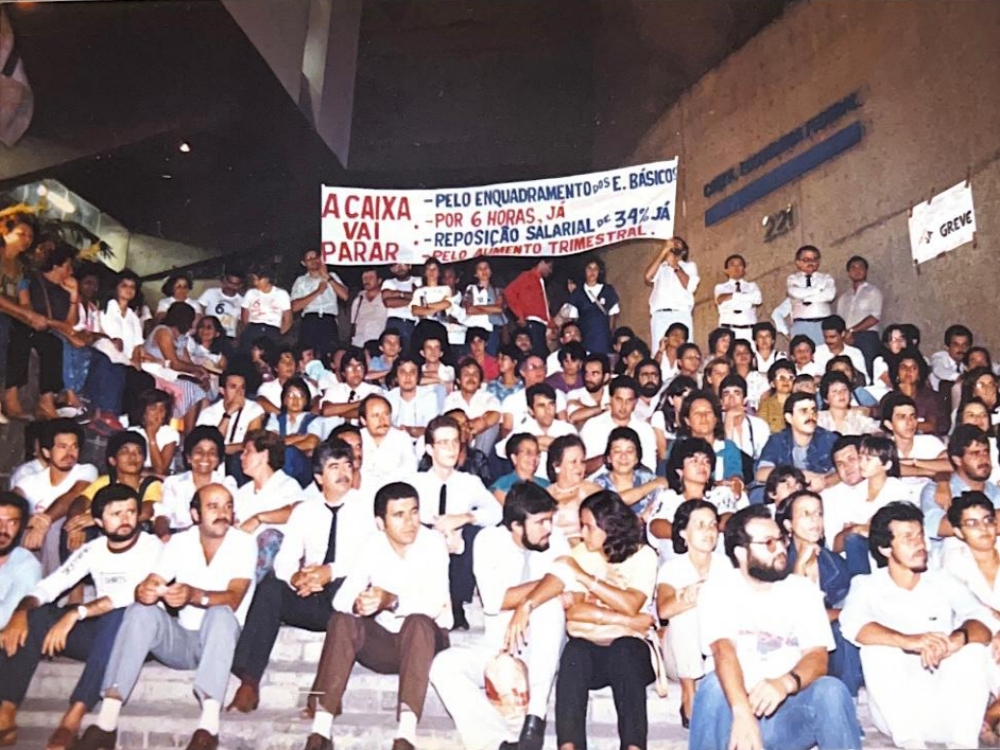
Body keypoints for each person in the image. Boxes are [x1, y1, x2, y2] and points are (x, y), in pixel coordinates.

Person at [76, 484, 256, 750]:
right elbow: (153, 579)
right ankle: (107, 723)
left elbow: (234, 597)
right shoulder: (181, 542)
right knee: (140, 611)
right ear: (195, 514)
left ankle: (208, 728)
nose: (223, 513)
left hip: (223, 642)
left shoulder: (244, 542)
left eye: (228, 506)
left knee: (220, 613)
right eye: (213, 506)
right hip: (182, 641)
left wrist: (194, 595)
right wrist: (145, 591)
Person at [0, 485, 162, 750]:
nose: (125, 519)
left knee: (116, 616)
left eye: (131, 512)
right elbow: (53, 584)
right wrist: (22, 611)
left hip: (137, 637)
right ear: (98, 521)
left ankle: (72, 719)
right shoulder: (93, 549)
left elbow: (131, 593)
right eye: (116, 513)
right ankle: (5, 713)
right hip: (98, 633)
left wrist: (78, 611)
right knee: (37, 615)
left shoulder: (151, 546)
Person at [689, 505, 862, 750]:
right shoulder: (718, 589)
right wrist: (742, 713)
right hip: (732, 710)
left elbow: (817, 656)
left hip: (786, 712)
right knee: (713, 687)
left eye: (781, 540)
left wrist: (784, 683)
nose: (781, 549)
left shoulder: (802, 590)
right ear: (741, 552)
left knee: (831, 690)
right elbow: (722, 651)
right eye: (768, 543)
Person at [505, 490, 658, 750]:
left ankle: (634, 746)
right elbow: (575, 612)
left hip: (631, 653)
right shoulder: (581, 555)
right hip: (593, 648)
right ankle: (569, 746)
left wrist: (587, 582)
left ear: (609, 527)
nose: (582, 534)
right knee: (575, 651)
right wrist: (527, 605)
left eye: (588, 527)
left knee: (626, 650)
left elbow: (631, 603)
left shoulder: (643, 556)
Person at [228, 440, 374, 713]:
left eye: (348, 465)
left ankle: (321, 695)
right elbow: (285, 559)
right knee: (271, 586)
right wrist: (297, 578)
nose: (344, 472)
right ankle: (249, 683)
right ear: (319, 477)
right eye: (334, 467)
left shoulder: (367, 508)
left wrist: (329, 572)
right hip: (312, 595)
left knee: (348, 584)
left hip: (345, 600)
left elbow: (370, 558)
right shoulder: (305, 511)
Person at [304, 481, 451, 750]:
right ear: (381, 522)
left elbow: (434, 603)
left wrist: (390, 600)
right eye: (399, 515)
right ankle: (321, 730)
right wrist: (360, 603)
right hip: (385, 645)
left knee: (417, 622)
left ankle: (405, 735)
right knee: (342, 620)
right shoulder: (371, 544)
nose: (410, 522)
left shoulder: (433, 543)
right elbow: (340, 600)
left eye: (414, 512)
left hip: (428, 644)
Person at [839, 502, 994, 749]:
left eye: (920, 535)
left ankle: (963, 744)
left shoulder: (941, 579)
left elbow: (981, 618)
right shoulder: (867, 586)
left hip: (948, 707)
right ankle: (911, 744)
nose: (920, 544)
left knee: (973, 648)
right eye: (908, 538)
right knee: (876, 650)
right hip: (899, 714)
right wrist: (909, 641)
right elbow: (853, 625)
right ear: (885, 548)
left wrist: (956, 639)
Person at [431, 482, 567, 750]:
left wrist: (527, 605)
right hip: (498, 642)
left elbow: (568, 582)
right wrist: (548, 585)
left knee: (549, 608)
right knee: (443, 665)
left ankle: (534, 720)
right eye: (540, 522)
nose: (548, 528)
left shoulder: (556, 539)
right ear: (516, 526)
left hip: (542, 649)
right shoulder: (488, 540)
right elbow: (496, 599)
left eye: (549, 520)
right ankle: (497, 744)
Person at [408, 416, 502, 630]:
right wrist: (434, 530)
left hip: (457, 550)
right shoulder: (415, 482)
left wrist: (463, 518)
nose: (451, 449)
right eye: (443, 443)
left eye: (455, 442)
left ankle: (456, 602)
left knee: (474, 532)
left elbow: (496, 512)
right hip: (426, 547)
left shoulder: (469, 482)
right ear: (430, 449)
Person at [777, 490, 861, 695]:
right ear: (788, 525)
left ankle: (846, 698)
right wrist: (798, 566)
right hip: (785, 644)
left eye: (819, 513)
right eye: (806, 514)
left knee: (843, 629)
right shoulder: (776, 563)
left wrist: (836, 615)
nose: (815, 519)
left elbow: (853, 609)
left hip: (828, 644)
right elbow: (787, 618)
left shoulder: (835, 564)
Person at [656, 499, 726, 726]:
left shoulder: (727, 567)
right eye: (700, 525)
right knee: (684, 613)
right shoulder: (672, 568)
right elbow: (664, 610)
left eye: (713, 524)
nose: (709, 531)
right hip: (679, 658)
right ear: (683, 533)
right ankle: (689, 694)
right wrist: (691, 595)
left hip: (718, 654)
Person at [941, 491, 1000, 741]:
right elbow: (973, 610)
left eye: (988, 520)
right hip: (983, 640)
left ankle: (990, 715)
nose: (983, 528)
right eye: (972, 523)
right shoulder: (954, 561)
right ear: (957, 531)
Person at [7, 242, 80, 420]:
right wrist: (56, 324)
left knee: (53, 343)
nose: (71, 272)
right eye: (68, 266)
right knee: (24, 338)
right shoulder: (31, 279)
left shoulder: (63, 291)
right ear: (56, 266)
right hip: (25, 325)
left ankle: (46, 400)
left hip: (47, 331)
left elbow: (70, 323)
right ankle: (11, 397)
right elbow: (28, 311)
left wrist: (74, 296)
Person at [16, 419, 98, 574]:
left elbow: (72, 496)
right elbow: (10, 506)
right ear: (47, 452)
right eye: (62, 447)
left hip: (63, 541)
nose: (70, 453)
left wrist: (44, 522)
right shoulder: (30, 481)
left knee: (56, 526)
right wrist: (30, 520)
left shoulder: (86, 471)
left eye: (74, 447)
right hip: (32, 545)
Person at [647, 438, 742, 558]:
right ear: (680, 470)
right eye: (694, 461)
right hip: (676, 561)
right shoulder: (668, 497)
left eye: (706, 461)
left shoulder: (721, 494)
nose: (702, 465)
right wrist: (688, 533)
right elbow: (655, 526)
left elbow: (728, 518)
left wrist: (704, 529)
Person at [85, 269, 151, 431]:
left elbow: (137, 345)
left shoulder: (133, 316)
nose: (128, 290)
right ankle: (107, 414)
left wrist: (135, 363)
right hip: (107, 354)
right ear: (116, 287)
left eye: (132, 287)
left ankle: (128, 422)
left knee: (143, 379)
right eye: (124, 285)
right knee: (116, 369)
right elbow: (98, 332)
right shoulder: (105, 309)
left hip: (126, 359)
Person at [920, 424, 999, 546]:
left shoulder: (995, 491)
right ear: (957, 460)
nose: (983, 459)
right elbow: (936, 526)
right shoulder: (936, 490)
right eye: (975, 453)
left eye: (986, 452)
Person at [155, 427, 236, 536]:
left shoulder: (226, 484)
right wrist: (165, 536)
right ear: (188, 457)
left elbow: (233, 517)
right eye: (199, 452)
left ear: (218, 460)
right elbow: (163, 516)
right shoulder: (173, 483)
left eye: (212, 453)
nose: (205, 457)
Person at [0, 211, 42, 422]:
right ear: (5, 232)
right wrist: (23, 313)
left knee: (25, 332)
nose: (26, 240)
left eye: (30, 237)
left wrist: (32, 318)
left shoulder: (21, 269)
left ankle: (11, 396)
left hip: (9, 316)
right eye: (21, 233)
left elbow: (25, 302)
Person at [144, 302, 212, 431]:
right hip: (157, 373)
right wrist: (198, 369)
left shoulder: (181, 338)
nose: (192, 325)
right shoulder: (163, 332)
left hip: (172, 374)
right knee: (191, 388)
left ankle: (191, 434)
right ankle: (188, 433)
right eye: (191, 320)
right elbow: (174, 363)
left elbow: (187, 362)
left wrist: (201, 375)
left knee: (201, 391)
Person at [756, 392, 839, 494]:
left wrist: (824, 482)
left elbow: (843, 472)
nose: (811, 416)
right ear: (789, 418)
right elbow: (761, 473)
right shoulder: (777, 440)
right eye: (804, 411)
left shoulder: (829, 439)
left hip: (823, 493)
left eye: (813, 411)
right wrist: (799, 475)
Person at [496, 384, 576, 479]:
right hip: (531, 484)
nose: (548, 410)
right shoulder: (523, 429)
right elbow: (502, 450)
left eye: (551, 404)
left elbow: (575, 454)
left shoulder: (567, 429)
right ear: (531, 411)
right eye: (541, 406)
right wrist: (539, 442)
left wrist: (533, 445)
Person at [196, 370, 266, 479]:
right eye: (233, 387)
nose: (239, 393)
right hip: (214, 463)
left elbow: (250, 444)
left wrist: (220, 449)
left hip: (240, 462)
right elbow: (210, 443)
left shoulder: (254, 409)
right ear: (222, 390)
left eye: (242, 388)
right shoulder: (208, 414)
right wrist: (228, 414)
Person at [580, 376, 657, 475]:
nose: (623, 406)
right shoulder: (593, 426)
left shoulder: (645, 430)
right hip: (597, 486)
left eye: (628, 401)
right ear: (610, 399)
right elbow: (582, 468)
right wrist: (606, 458)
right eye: (619, 400)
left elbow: (649, 469)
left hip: (635, 486)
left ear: (635, 402)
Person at [590, 426, 667, 518]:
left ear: (637, 458)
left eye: (629, 451)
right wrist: (649, 487)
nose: (623, 456)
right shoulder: (598, 484)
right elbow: (610, 505)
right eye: (617, 451)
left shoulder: (648, 478)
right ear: (608, 458)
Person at [265, 377, 324, 487]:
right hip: (276, 466)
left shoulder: (315, 420)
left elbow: (311, 443)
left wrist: (282, 442)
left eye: (300, 396)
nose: (295, 400)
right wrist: (299, 438)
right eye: (291, 396)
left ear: (307, 400)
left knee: (290, 452)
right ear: (284, 400)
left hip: (305, 469)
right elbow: (268, 443)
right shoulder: (275, 419)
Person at [291, 248, 348, 359]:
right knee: (308, 356)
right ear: (304, 263)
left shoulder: (332, 276)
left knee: (329, 356)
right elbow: (294, 306)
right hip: (310, 321)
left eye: (316, 257)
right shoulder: (301, 281)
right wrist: (317, 292)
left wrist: (327, 278)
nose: (314, 261)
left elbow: (345, 296)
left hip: (328, 321)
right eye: (309, 259)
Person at [645, 236, 699, 349]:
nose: (673, 244)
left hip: (681, 313)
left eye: (677, 243)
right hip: (660, 314)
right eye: (671, 243)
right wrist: (663, 251)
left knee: (684, 350)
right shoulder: (661, 267)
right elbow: (647, 277)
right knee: (659, 349)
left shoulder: (689, 266)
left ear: (684, 250)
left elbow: (689, 286)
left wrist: (675, 265)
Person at [546, 435, 602, 545]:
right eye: (573, 462)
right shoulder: (544, 495)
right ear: (557, 466)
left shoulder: (593, 491)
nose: (579, 467)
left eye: (582, 461)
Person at [835, 255, 882, 378]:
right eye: (853, 268)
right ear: (849, 273)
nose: (857, 270)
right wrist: (843, 336)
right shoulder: (844, 297)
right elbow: (839, 321)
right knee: (848, 370)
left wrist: (852, 330)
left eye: (860, 267)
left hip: (867, 337)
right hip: (847, 339)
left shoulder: (873, 292)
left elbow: (875, 317)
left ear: (866, 271)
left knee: (868, 369)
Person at [443, 358, 502, 453]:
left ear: (480, 382)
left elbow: (495, 415)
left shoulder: (488, 397)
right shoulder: (451, 399)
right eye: (466, 374)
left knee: (491, 427)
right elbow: (450, 420)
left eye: (475, 374)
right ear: (458, 380)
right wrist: (468, 427)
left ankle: (478, 462)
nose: (471, 377)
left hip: (482, 442)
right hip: (458, 442)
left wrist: (477, 425)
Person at [0, 493, 41, 631]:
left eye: (12, 522)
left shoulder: (27, 564)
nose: (3, 530)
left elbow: (6, 618)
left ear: (21, 527)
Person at [357, 394, 417, 487]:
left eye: (386, 414)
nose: (382, 420)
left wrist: (385, 482)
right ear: (363, 420)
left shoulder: (402, 438)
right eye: (375, 415)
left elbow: (410, 468)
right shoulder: (357, 438)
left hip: (394, 490)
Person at [500, 355, 567, 437]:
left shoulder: (557, 395)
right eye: (533, 367)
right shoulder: (511, 400)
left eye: (541, 367)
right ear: (523, 372)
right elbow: (507, 431)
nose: (539, 371)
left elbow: (564, 425)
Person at [565, 257, 619, 354]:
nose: (592, 272)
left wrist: (609, 337)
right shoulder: (577, 293)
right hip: (585, 342)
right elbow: (573, 320)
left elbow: (613, 318)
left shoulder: (608, 291)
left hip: (604, 341)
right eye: (589, 268)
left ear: (600, 272)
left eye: (595, 269)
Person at [786, 245, 836, 347]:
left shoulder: (826, 278)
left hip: (823, 324)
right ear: (798, 262)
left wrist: (804, 297)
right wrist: (818, 290)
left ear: (818, 262)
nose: (810, 262)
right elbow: (795, 292)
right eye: (806, 259)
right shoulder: (792, 279)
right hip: (801, 324)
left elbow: (830, 295)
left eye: (814, 259)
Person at [504, 259, 554, 359]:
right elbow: (509, 292)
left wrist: (550, 322)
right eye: (550, 267)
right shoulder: (527, 276)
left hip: (541, 325)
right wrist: (520, 315)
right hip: (533, 323)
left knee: (543, 354)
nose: (550, 271)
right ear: (542, 263)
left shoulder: (539, 280)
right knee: (536, 355)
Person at [890, 349, 945, 435]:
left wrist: (901, 426)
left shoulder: (931, 397)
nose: (908, 371)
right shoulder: (890, 398)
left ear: (919, 374)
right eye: (903, 367)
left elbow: (931, 426)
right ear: (897, 374)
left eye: (913, 368)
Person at [385, 356, 439, 442]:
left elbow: (433, 430)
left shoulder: (429, 397)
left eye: (412, 372)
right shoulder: (388, 397)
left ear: (418, 377)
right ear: (396, 377)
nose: (408, 376)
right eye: (403, 372)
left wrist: (410, 430)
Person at [319, 346, 382, 422]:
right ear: (343, 373)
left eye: (359, 367)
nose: (355, 371)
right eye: (350, 368)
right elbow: (326, 411)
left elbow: (368, 412)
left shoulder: (374, 390)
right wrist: (361, 403)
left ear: (365, 371)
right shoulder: (334, 389)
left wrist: (339, 413)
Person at [128, 388, 179, 475]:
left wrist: (151, 436)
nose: (158, 413)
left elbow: (160, 471)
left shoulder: (170, 434)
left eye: (162, 409)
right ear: (143, 411)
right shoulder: (132, 432)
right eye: (153, 408)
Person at [240, 264, 291, 351]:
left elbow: (288, 319)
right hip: (253, 329)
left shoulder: (281, 294)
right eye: (253, 280)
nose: (255, 283)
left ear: (266, 279)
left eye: (257, 280)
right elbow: (244, 314)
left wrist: (277, 333)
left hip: (272, 330)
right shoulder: (250, 293)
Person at [461, 260, 506, 356]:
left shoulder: (497, 290)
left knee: (491, 357)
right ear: (475, 273)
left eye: (486, 268)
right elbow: (469, 310)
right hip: (474, 329)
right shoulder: (470, 289)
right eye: (480, 269)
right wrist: (491, 308)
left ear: (490, 271)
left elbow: (499, 309)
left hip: (492, 331)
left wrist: (477, 307)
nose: (483, 271)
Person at [490, 433, 551, 504]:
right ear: (514, 458)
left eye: (537, 453)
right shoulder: (502, 488)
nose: (534, 457)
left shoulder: (546, 485)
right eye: (528, 453)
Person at [817, 370, 878, 435]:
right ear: (826, 399)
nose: (841, 394)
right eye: (835, 391)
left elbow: (876, 432)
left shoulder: (859, 416)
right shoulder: (818, 418)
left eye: (844, 390)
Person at [714, 253, 762, 335]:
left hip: (749, 330)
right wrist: (747, 302)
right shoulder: (720, 287)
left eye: (740, 265)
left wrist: (732, 297)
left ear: (744, 269)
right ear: (726, 270)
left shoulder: (752, 286)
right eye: (732, 265)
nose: (736, 268)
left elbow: (758, 299)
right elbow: (719, 300)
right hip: (728, 330)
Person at [814, 315, 868, 384]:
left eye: (832, 337)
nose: (828, 341)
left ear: (842, 334)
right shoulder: (816, 352)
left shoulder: (855, 353)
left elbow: (864, 379)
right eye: (825, 337)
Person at [197, 270, 243, 343]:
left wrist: (237, 339)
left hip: (228, 336)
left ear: (240, 285)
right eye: (230, 283)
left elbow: (240, 323)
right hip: (209, 334)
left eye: (235, 284)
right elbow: (199, 310)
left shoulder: (242, 301)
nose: (231, 287)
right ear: (225, 281)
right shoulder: (211, 292)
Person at [929, 323, 972, 391]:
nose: (961, 349)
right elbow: (939, 370)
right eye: (956, 345)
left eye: (964, 345)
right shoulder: (939, 357)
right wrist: (959, 377)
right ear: (947, 347)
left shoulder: (967, 362)